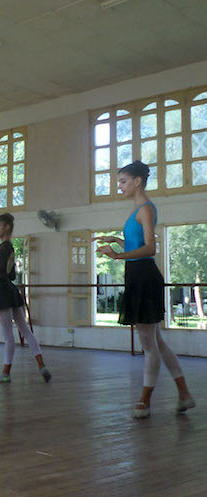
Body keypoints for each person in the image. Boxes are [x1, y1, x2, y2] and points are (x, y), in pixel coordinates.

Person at [95, 160, 194, 419]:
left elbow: (150, 248)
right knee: (156, 342)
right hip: (137, 275)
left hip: (144, 276)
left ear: (137, 181)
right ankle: (184, 394)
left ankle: (145, 400)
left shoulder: (146, 209)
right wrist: (115, 240)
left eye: (123, 181)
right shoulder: (138, 210)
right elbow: (137, 240)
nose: (120, 187)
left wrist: (118, 255)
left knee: (148, 344)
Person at [0, 213, 50, 384]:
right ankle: (41, 365)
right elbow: (12, 274)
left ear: (7, 227)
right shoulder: (8, 248)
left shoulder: (5, 248)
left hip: (3, 294)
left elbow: (5, 275)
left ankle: (6, 373)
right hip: (11, 293)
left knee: (8, 336)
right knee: (25, 330)